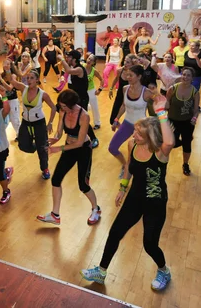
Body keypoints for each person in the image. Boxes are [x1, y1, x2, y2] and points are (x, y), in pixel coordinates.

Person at [81, 98, 175, 290]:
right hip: (135, 198)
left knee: (149, 244)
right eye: (135, 131)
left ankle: (164, 270)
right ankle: (101, 271)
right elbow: (128, 167)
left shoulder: (160, 152)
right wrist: (123, 187)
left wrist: (161, 112)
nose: (134, 135)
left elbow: (170, 141)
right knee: (115, 233)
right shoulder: (132, 144)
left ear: (150, 136)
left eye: (139, 134)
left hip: (155, 202)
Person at [37, 89, 100, 226]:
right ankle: (55, 215)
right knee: (56, 179)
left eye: (64, 106)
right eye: (61, 105)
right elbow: (60, 132)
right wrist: (54, 139)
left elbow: (79, 142)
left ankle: (96, 209)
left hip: (83, 149)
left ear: (72, 104)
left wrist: (58, 148)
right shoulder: (63, 111)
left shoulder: (84, 116)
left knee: (83, 185)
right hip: (69, 147)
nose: (62, 108)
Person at [109, 64, 155, 178]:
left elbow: (161, 105)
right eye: (127, 74)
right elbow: (124, 106)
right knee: (112, 148)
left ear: (139, 77)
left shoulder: (147, 92)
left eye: (131, 75)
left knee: (138, 153)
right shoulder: (125, 89)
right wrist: (116, 119)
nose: (128, 77)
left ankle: (140, 173)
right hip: (127, 123)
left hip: (141, 127)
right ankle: (125, 166)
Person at [11, 70, 57, 179]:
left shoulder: (43, 94)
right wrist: (9, 69)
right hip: (26, 123)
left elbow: (54, 107)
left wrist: (50, 123)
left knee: (43, 150)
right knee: (22, 145)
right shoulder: (23, 89)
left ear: (37, 80)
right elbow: (12, 81)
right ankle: (38, 145)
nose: (29, 80)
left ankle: (45, 169)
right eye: (28, 78)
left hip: (39, 124)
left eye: (31, 78)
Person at [58, 50, 99, 148]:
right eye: (66, 57)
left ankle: (93, 138)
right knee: (61, 110)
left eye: (69, 57)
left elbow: (68, 70)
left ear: (74, 59)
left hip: (82, 99)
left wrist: (61, 59)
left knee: (82, 118)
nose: (67, 59)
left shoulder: (79, 69)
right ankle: (73, 135)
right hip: (75, 99)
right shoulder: (74, 68)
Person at [165, 67, 199, 175]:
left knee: (187, 144)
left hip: (187, 122)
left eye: (188, 75)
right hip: (172, 121)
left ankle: (185, 164)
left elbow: (196, 110)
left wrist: (194, 118)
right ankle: (187, 139)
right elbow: (167, 104)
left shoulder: (195, 92)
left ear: (192, 78)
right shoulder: (172, 89)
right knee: (172, 143)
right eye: (184, 74)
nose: (185, 77)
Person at [0, 59, 21, 137]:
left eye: (8, 64)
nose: (6, 65)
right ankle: (0, 134)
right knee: (3, 118)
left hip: (13, 100)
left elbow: (10, 88)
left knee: (15, 119)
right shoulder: (2, 74)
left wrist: (0, 79)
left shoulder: (13, 75)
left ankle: (20, 135)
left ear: (11, 66)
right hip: (4, 100)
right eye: (4, 64)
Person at [108, 54, 138, 125]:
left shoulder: (135, 73)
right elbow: (116, 79)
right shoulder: (120, 70)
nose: (125, 63)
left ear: (132, 64)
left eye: (128, 62)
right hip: (120, 95)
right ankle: (121, 129)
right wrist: (111, 89)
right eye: (125, 61)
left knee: (131, 119)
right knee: (112, 119)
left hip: (131, 96)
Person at [85, 53, 104, 130]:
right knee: (83, 107)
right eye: (89, 58)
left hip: (91, 90)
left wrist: (100, 89)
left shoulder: (94, 71)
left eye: (91, 60)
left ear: (94, 63)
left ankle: (97, 123)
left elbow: (102, 80)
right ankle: (83, 123)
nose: (89, 60)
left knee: (94, 107)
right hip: (82, 90)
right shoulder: (81, 66)